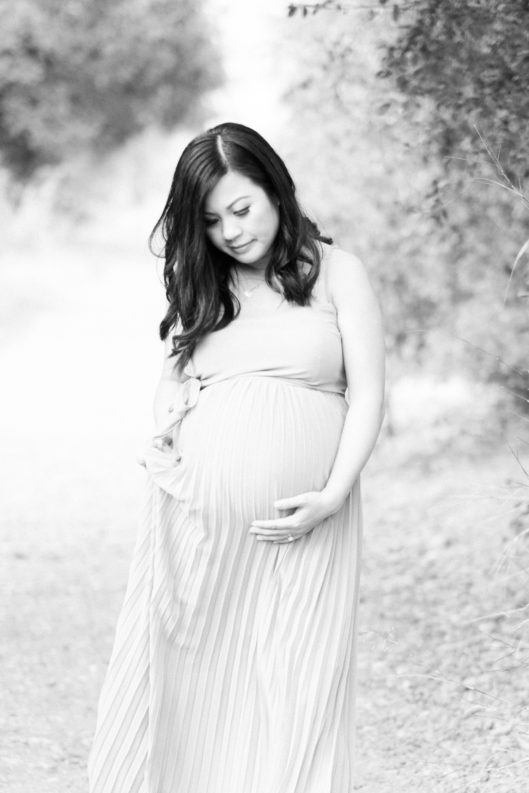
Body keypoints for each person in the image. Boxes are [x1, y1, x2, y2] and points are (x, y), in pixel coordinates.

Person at [88, 122, 385, 793]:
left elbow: (367, 395)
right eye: (213, 220)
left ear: (275, 189)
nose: (232, 232)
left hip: (308, 516)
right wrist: (165, 418)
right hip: (196, 527)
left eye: (242, 209)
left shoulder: (339, 274)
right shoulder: (205, 284)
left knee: (301, 678)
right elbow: (173, 379)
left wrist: (333, 493)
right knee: (193, 683)